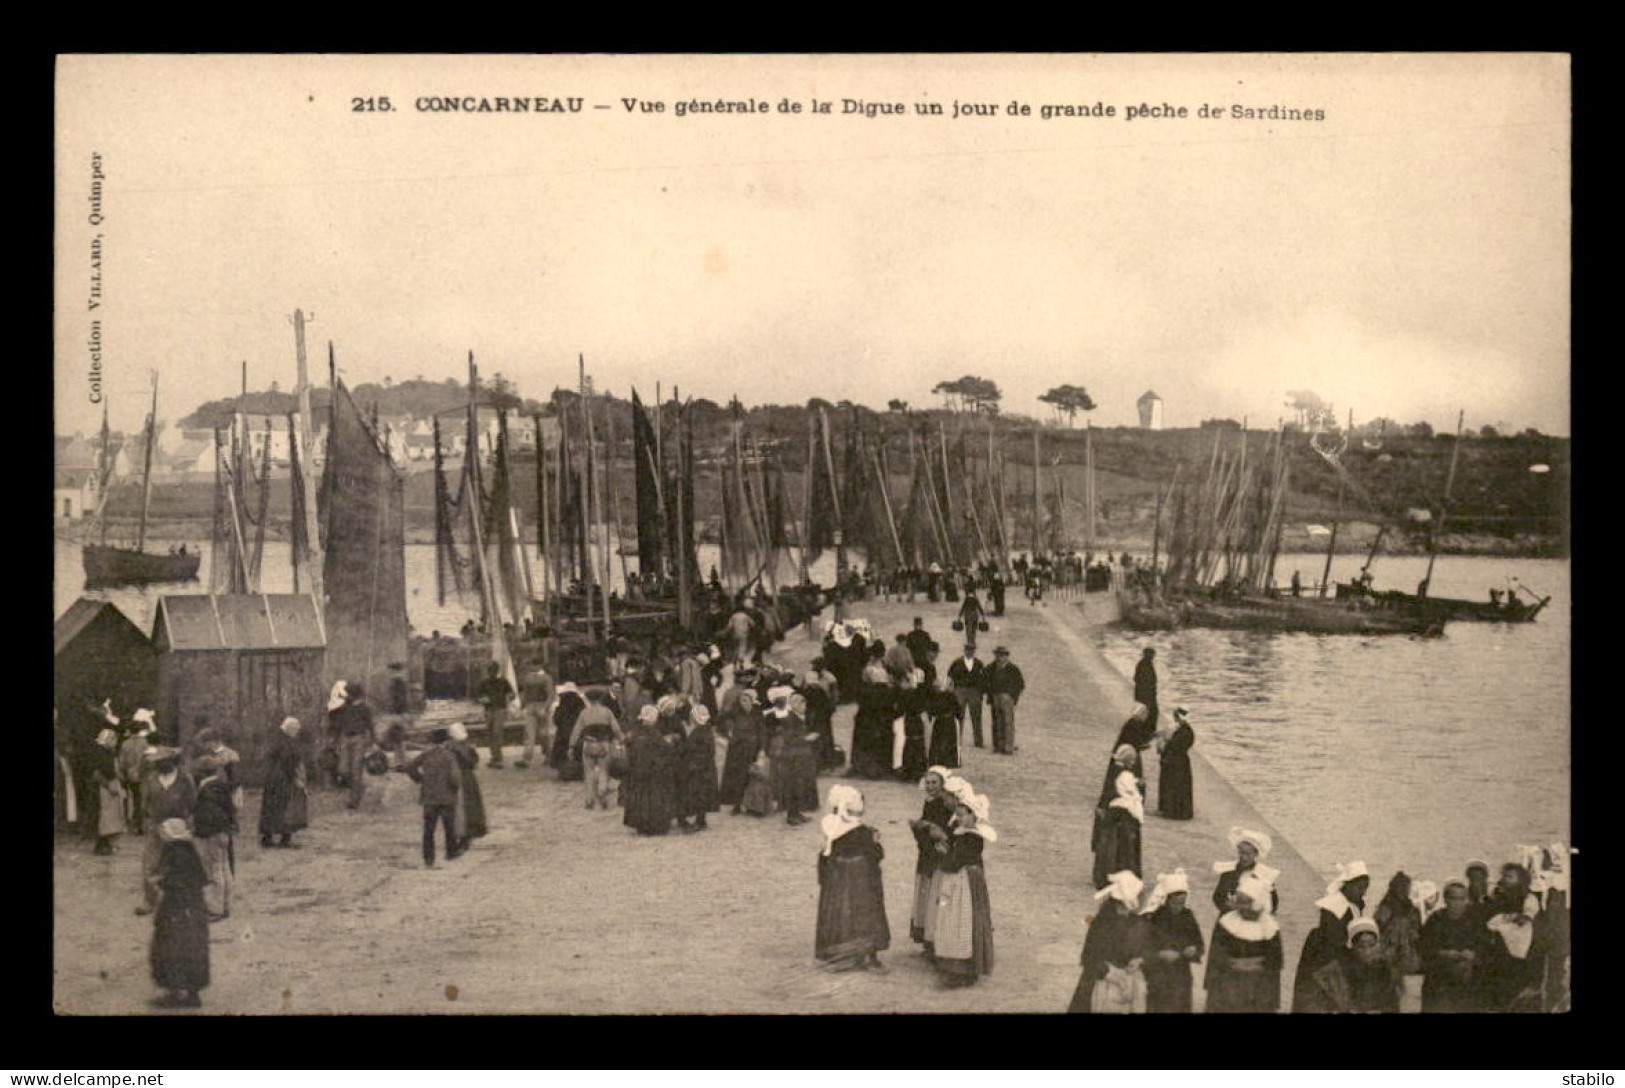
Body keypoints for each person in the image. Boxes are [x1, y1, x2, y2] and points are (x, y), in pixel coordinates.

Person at [815, 785, 889, 972]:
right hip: (861, 881)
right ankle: (867, 956)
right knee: (866, 915)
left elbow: (825, 854)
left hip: (838, 882)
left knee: (840, 915)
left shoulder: (831, 826)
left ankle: (840, 956)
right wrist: (877, 842)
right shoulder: (862, 831)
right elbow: (876, 854)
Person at [931, 786, 996, 987]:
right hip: (961, 880)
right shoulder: (963, 833)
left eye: (961, 815)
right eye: (957, 815)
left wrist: (943, 853)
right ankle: (957, 965)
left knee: (962, 921)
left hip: (964, 881)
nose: (958, 818)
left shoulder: (972, 837)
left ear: (974, 816)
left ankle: (963, 968)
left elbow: (956, 862)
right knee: (956, 920)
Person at [1292, 860, 1371, 1011]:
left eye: (1365, 888)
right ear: (1348, 884)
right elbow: (1333, 940)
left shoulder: (1353, 903)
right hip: (1324, 959)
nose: (1363, 892)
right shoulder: (1333, 906)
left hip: (1335, 956)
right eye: (1360, 888)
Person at [149, 818, 209, 1008]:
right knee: (194, 948)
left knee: (170, 948)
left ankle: (174, 992)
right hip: (195, 908)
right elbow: (200, 878)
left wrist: (160, 883)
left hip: (175, 908)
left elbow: (171, 879)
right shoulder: (191, 850)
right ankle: (193, 992)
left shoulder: (173, 851)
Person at [1204, 871, 1283, 1013]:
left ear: (1257, 904)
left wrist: (1255, 965)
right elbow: (1217, 957)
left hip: (1258, 987)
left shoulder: (1270, 929)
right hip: (1230, 986)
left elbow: (1276, 961)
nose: (1242, 907)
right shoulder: (1227, 924)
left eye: (1246, 903)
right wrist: (1233, 964)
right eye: (1239, 903)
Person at [1069, 869, 1146, 1012]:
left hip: (1126, 984)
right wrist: (1112, 973)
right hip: (1100, 983)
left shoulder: (1135, 920)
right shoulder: (1103, 923)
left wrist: (1139, 959)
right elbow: (1089, 958)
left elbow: (1143, 945)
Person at [136, 746, 197, 915]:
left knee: (177, 864)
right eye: (157, 762)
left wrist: (189, 825)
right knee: (150, 863)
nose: (160, 765)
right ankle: (151, 900)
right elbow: (144, 802)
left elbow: (192, 803)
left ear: (173, 762)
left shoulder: (185, 778)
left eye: (163, 761)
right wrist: (146, 821)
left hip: (178, 825)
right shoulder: (151, 779)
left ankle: (180, 901)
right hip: (155, 824)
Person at [1480, 862, 1547, 1011]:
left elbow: (1528, 917)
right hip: (1501, 943)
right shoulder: (1498, 895)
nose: (1505, 879)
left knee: (1515, 979)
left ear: (1521, 881)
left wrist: (1514, 918)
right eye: (1504, 876)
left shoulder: (1528, 897)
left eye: (1510, 877)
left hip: (1521, 943)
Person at [1300, 917, 1400, 1013]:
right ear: (1352, 947)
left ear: (1378, 945)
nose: (1367, 952)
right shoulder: (1334, 974)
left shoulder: (1386, 972)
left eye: (1372, 945)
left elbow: (1392, 1006)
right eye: (1361, 946)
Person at [1420, 879, 1489, 1012]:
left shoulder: (1475, 919)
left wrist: (1474, 955)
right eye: (1453, 898)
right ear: (1445, 899)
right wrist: (1443, 953)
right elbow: (1423, 947)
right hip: (1439, 978)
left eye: (1462, 899)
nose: (1457, 903)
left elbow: (1486, 947)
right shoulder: (1435, 919)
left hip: (1467, 979)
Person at [1141, 870, 1205, 1013]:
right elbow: (1142, 946)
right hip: (1158, 972)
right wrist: (1159, 954)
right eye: (1175, 903)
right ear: (1166, 900)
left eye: (1182, 903)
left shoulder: (1187, 916)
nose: (1178, 907)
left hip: (1181, 972)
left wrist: (1193, 949)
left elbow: (1198, 941)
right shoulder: (1154, 918)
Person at [907, 768, 956, 953]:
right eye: (928, 783)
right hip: (927, 851)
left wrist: (927, 826)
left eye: (934, 783)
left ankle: (934, 937)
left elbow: (943, 828)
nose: (930, 787)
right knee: (926, 890)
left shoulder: (945, 803)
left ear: (942, 784)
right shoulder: (928, 802)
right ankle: (928, 937)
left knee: (934, 890)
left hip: (936, 852)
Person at [407, 728, 462, 867]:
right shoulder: (449, 756)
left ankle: (428, 857)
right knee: (449, 826)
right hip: (446, 797)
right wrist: (455, 789)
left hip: (429, 796)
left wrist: (420, 780)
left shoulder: (426, 755)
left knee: (429, 829)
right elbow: (455, 777)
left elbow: (410, 767)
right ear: (446, 742)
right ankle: (451, 851)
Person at [190, 756, 236, 921]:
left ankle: (215, 908)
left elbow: (205, 815)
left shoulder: (205, 789)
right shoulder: (222, 786)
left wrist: (199, 830)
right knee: (225, 868)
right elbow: (230, 809)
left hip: (211, 833)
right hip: (223, 832)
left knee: (214, 869)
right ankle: (226, 905)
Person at [1091, 744, 1143, 888]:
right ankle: (1118, 873)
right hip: (1120, 814)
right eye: (1132, 761)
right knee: (1121, 846)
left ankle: (1104, 873)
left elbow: (1108, 791)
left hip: (1112, 813)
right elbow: (1128, 795)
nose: (1133, 764)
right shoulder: (1124, 775)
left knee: (1108, 845)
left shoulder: (1114, 770)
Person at [625, 705, 679, 836]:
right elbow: (664, 749)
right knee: (655, 798)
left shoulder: (636, 733)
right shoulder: (654, 733)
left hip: (638, 770)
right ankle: (655, 825)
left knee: (640, 797)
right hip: (654, 771)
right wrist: (671, 742)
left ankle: (640, 824)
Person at [769, 692, 820, 827]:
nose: (804, 706)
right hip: (793, 756)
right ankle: (792, 815)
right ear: (795, 705)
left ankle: (797, 812)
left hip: (801, 754)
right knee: (793, 786)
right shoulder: (789, 719)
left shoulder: (798, 718)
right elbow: (789, 738)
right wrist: (807, 739)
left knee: (799, 785)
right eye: (801, 704)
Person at [1373, 870, 1424, 1006]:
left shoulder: (1413, 910)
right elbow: (1377, 930)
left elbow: (1419, 933)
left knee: (1408, 997)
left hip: (1407, 958)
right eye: (1400, 887)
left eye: (1406, 887)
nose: (1404, 890)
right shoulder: (1385, 909)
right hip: (1389, 956)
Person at [572, 690, 624, 810]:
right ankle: (602, 792)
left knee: (588, 772)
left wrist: (572, 745)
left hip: (588, 744)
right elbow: (616, 728)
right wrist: (621, 739)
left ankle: (589, 800)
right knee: (603, 771)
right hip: (603, 744)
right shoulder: (607, 712)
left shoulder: (584, 713)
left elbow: (577, 730)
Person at [1212, 827, 1282, 915]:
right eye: (1241, 852)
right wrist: (1228, 908)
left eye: (1248, 854)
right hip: (1229, 918)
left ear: (1256, 854)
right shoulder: (1229, 872)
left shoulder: (1263, 875)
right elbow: (1218, 897)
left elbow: (1273, 902)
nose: (1244, 857)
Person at [717, 686, 766, 812]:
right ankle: (737, 805)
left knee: (751, 776)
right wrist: (727, 733)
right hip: (737, 749)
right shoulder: (735, 711)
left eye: (745, 700)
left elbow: (762, 732)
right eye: (741, 700)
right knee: (737, 777)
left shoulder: (757, 713)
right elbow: (720, 718)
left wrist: (761, 749)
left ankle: (751, 805)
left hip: (752, 749)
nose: (743, 703)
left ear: (752, 701)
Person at [329, 681, 376, 809]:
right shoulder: (344, 708)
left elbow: (370, 725)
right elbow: (337, 723)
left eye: (348, 693)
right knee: (342, 769)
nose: (346, 695)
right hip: (345, 738)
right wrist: (334, 738)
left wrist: (372, 741)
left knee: (356, 769)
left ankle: (354, 800)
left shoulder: (364, 708)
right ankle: (358, 788)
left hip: (359, 739)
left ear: (354, 695)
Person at [676, 704, 720, 833]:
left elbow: (705, 751)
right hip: (703, 768)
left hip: (700, 768)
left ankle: (700, 821)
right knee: (701, 794)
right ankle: (701, 819)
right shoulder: (704, 730)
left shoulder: (700, 732)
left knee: (699, 794)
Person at [446, 723, 488, 854]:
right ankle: (469, 833)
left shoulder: (450, 748)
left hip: (458, 779)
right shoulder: (467, 747)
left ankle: (463, 835)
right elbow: (474, 761)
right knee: (470, 807)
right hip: (468, 779)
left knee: (461, 809)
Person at [848, 671, 896, 780]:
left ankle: (866, 767)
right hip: (882, 722)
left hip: (866, 721)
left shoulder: (867, 690)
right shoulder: (887, 691)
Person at [117, 709, 156, 835]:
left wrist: (123, 773)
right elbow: (149, 759)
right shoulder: (145, 743)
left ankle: (132, 824)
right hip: (143, 774)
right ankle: (141, 825)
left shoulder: (125, 744)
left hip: (130, 775)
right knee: (143, 799)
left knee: (133, 799)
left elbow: (121, 762)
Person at [89, 727, 126, 855]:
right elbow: (98, 773)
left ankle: (107, 843)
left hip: (108, 786)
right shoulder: (102, 754)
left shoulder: (107, 753)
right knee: (105, 817)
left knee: (109, 817)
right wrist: (109, 785)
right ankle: (103, 844)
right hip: (104, 788)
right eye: (114, 739)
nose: (115, 742)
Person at [514, 661, 556, 770]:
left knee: (531, 733)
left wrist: (522, 706)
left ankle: (528, 758)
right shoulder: (546, 678)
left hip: (532, 705)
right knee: (542, 733)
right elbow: (550, 695)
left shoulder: (528, 678)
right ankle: (548, 756)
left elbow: (525, 694)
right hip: (540, 705)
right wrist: (546, 707)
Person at [1156, 706, 1195, 820]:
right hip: (1181, 761)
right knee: (1180, 786)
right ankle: (1178, 810)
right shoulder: (1186, 730)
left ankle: (1173, 811)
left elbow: (1172, 745)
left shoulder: (1181, 730)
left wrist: (1166, 742)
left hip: (1175, 761)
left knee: (1173, 785)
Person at [984, 646, 1025, 755]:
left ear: (1007, 656)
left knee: (1008, 722)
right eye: (997, 655)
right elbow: (985, 679)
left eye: (1002, 655)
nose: (999, 658)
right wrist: (989, 694)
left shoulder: (1013, 669)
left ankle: (1008, 747)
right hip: (995, 697)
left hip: (1007, 698)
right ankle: (998, 746)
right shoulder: (992, 667)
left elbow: (1020, 684)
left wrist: (1012, 697)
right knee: (997, 722)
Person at [1109, 703, 1156, 795]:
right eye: (1145, 714)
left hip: (1124, 752)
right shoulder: (1134, 724)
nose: (1146, 716)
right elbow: (1136, 741)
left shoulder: (1132, 722)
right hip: (1127, 754)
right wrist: (1145, 744)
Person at [947, 643, 987, 749]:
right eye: (968, 650)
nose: (969, 652)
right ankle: (956, 740)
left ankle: (978, 741)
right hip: (960, 689)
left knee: (976, 716)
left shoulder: (978, 663)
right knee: (959, 715)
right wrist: (952, 691)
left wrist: (980, 692)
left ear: (974, 651)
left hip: (974, 691)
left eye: (972, 650)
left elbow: (983, 679)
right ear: (964, 650)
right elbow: (950, 677)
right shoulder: (957, 662)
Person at [476, 663, 515, 768]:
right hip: (490, 710)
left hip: (499, 710)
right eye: (490, 670)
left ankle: (497, 757)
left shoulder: (503, 682)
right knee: (491, 733)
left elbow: (512, 694)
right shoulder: (485, 683)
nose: (492, 672)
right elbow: (478, 696)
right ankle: (495, 756)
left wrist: (509, 697)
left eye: (493, 670)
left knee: (496, 732)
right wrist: (483, 699)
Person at [925, 679, 961, 769]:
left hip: (940, 720)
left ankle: (936, 760)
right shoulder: (950, 695)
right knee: (947, 741)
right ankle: (948, 761)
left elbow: (931, 710)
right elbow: (958, 710)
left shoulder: (934, 696)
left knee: (938, 741)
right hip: (948, 720)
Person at [1133, 647, 1159, 731]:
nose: (1153, 657)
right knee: (1153, 712)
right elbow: (1139, 679)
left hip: (1144, 693)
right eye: (1152, 655)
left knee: (1147, 712)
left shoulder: (1144, 664)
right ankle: (1148, 730)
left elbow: (1136, 678)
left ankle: (1145, 729)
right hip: (1146, 694)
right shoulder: (1145, 665)